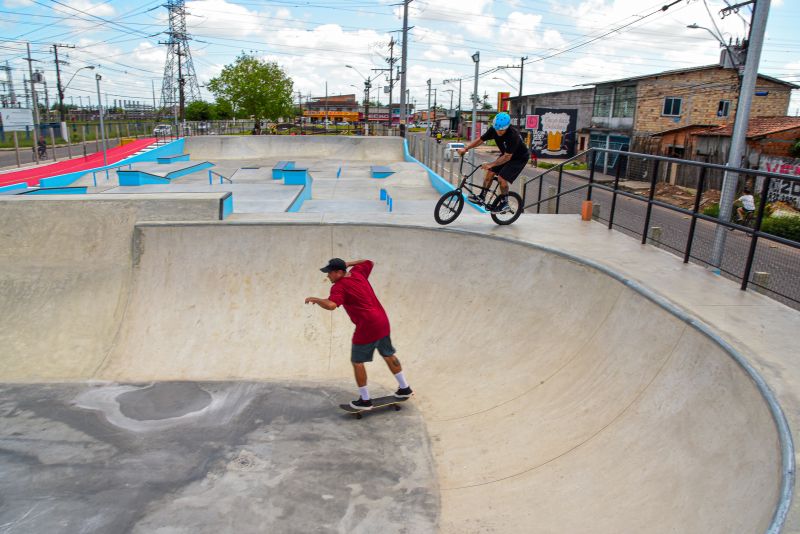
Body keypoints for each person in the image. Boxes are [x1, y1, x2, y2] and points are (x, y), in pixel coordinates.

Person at [305, 258, 413, 410]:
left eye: (330, 273)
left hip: (367, 326)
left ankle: (365, 400)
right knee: (388, 354)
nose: (328, 276)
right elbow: (369, 261)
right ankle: (404, 388)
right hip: (382, 321)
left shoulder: (339, 287)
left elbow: (331, 305)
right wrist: (348, 264)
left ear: (339, 272)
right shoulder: (358, 272)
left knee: (357, 362)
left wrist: (316, 299)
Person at [456, 111, 529, 213]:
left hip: (519, 158)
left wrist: (491, 164)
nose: (499, 132)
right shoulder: (494, 129)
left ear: (507, 127)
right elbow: (481, 140)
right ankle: (482, 196)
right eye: (497, 129)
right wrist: (466, 148)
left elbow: (508, 157)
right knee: (490, 172)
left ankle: (505, 204)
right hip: (505, 154)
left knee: (502, 178)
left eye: (502, 130)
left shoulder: (513, 135)